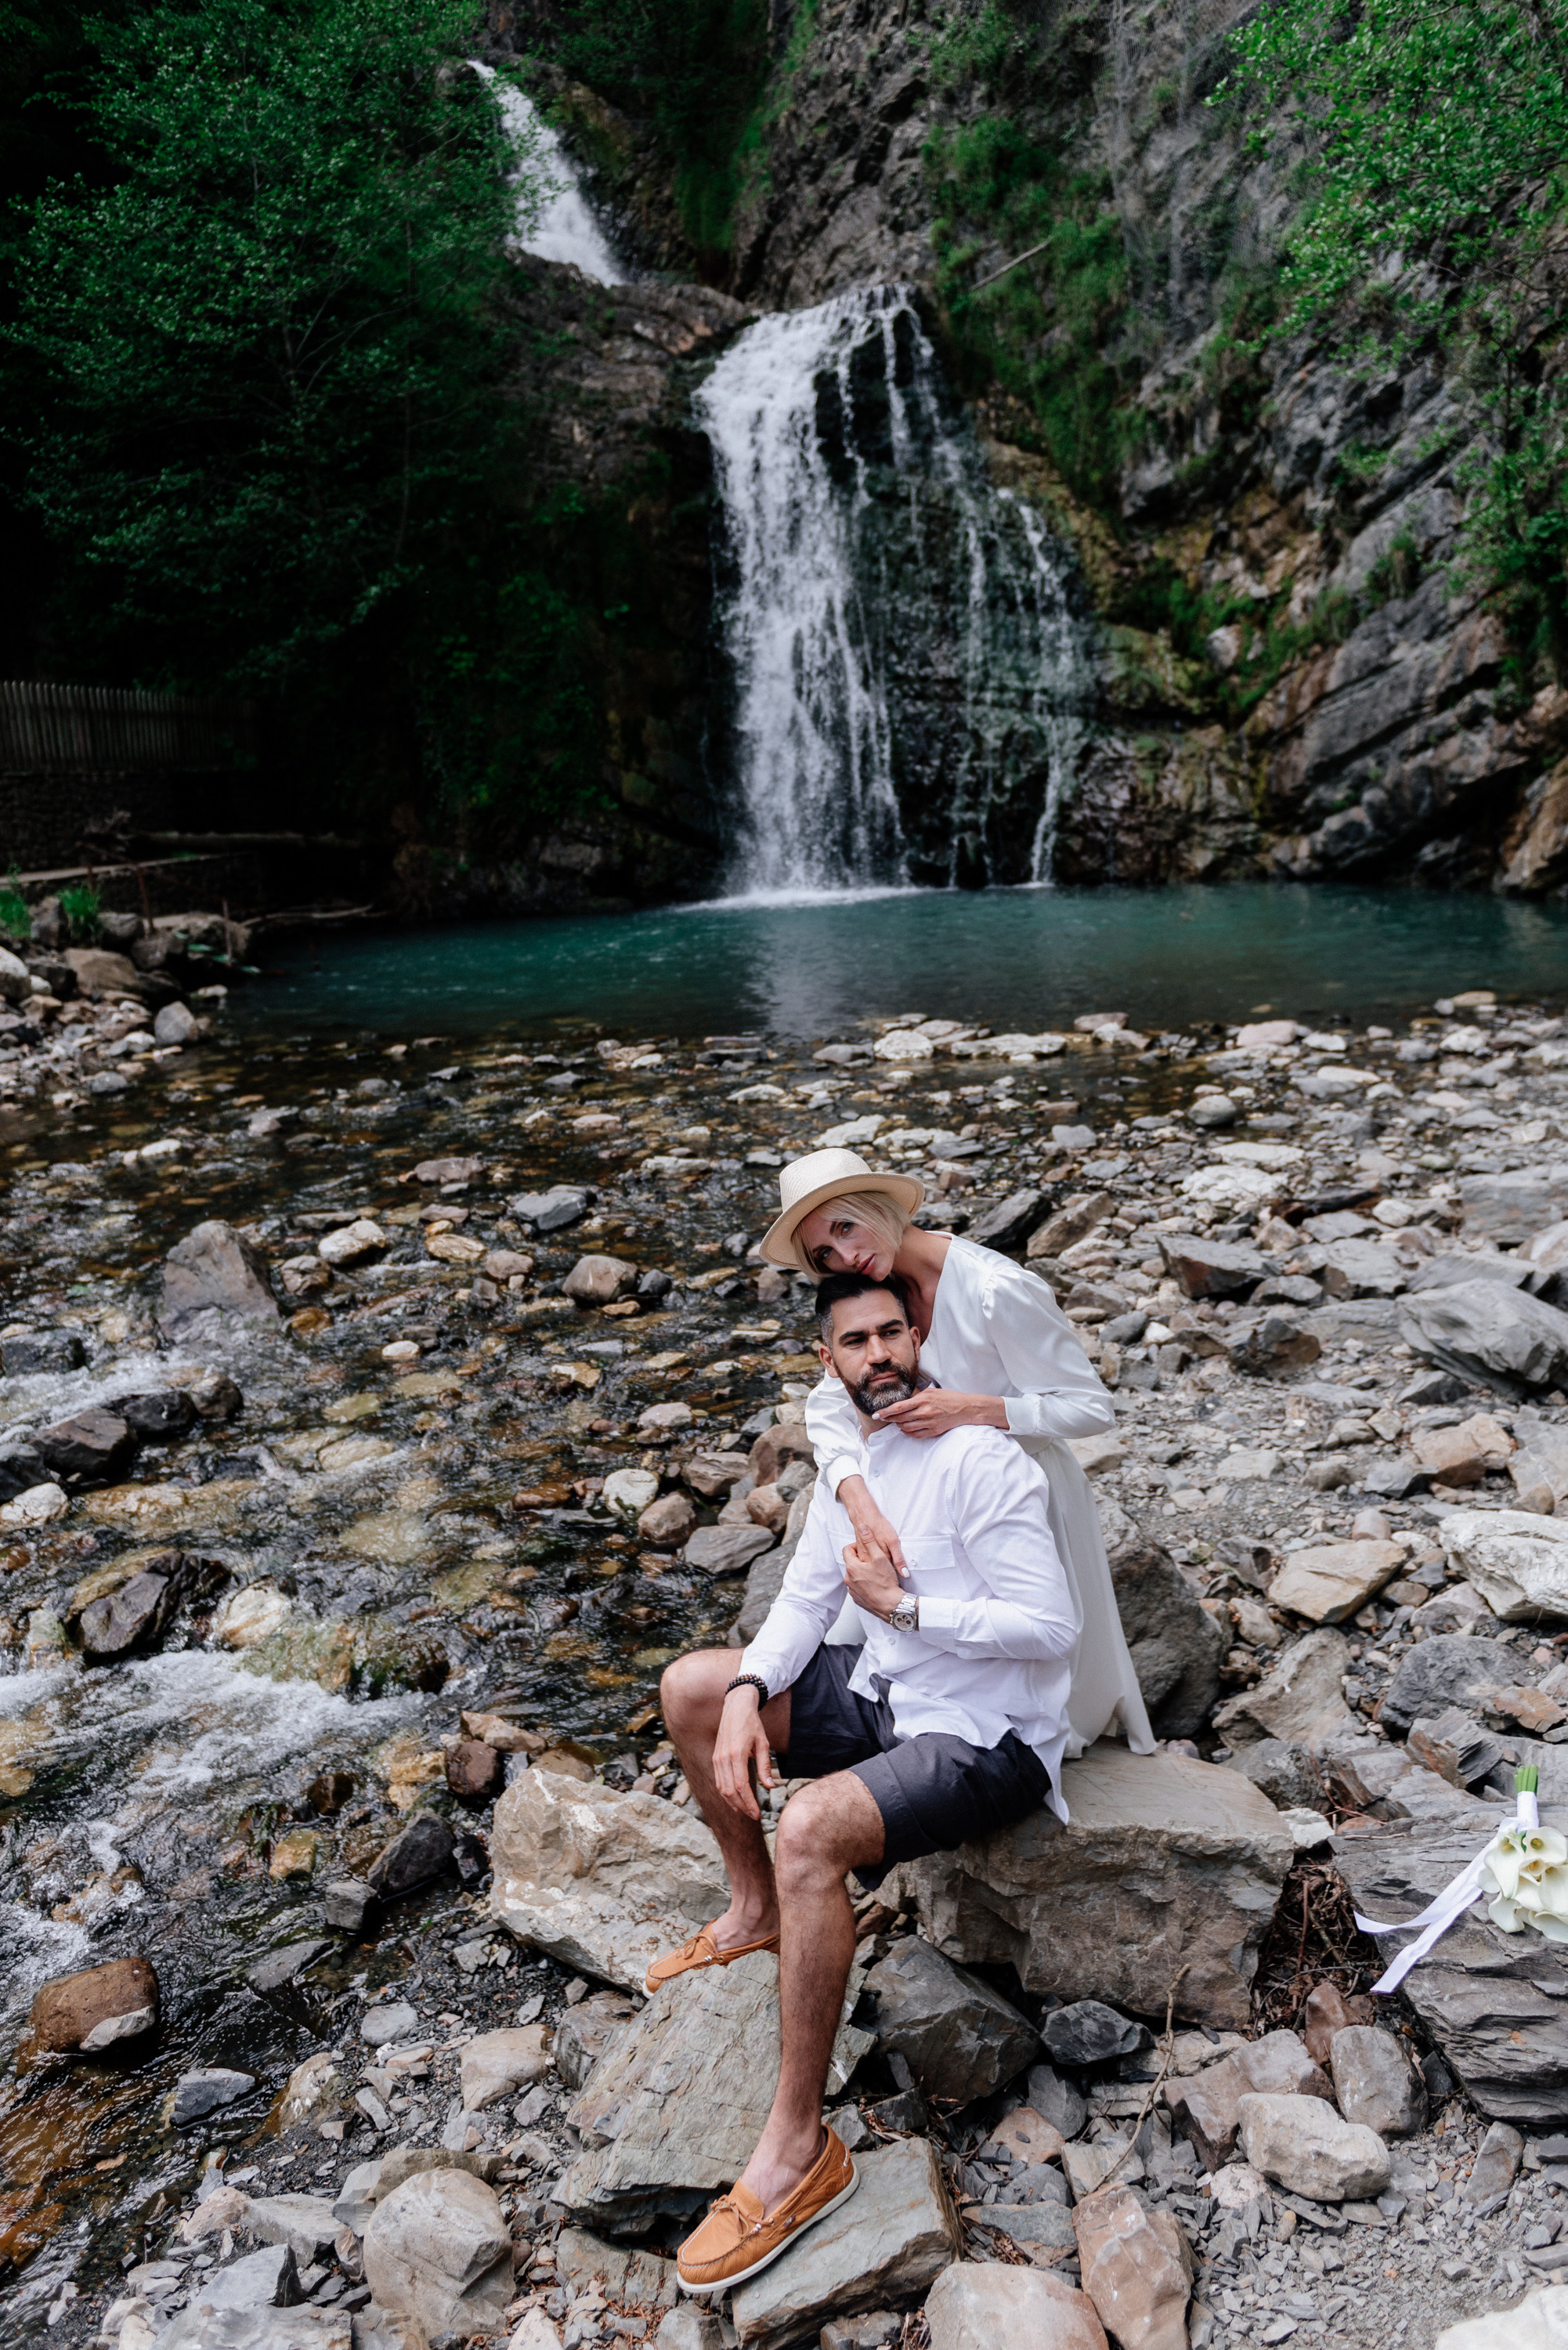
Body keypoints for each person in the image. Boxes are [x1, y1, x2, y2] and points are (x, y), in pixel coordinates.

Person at [653, 1267, 1080, 2295]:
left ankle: (798, 2149)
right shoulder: (856, 1464)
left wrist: (905, 1610)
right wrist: (749, 1690)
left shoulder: (980, 1460)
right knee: (692, 1689)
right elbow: (805, 1602)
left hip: (986, 1733)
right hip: (887, 1696)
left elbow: (1049, 1626)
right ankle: (754, 1910)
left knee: (807, 1828)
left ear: (916, 1338)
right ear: (828, 1360)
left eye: (893, 1333)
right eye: (856, 1340)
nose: (879, 1354)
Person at [762, 1144, 1152, 1759]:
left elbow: (1090, 1408)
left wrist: (976, 1409)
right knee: (877, 1636)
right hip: (918, 1497)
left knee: (1030, 1650)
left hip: (1016, 1490)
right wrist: (855, 1495)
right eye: (824, 1254)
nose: (845, 1257)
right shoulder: (875, 1294)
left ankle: (1025, 1749)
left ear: (881, 1207)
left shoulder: (996, 1289)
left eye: (846, 1227)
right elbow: (828, 1406)